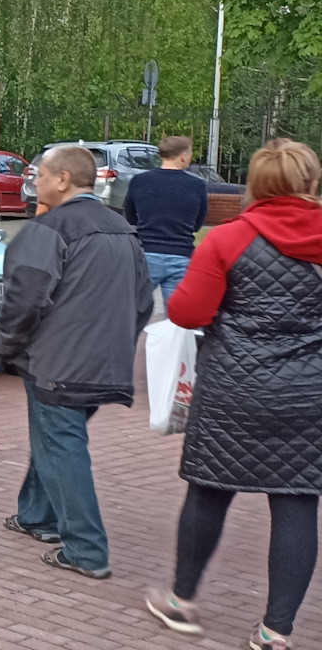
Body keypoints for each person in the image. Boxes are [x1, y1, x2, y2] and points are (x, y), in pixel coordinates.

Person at [144, 140, 322, 650]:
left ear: (257, 185)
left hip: (232, 391)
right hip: (308, 394)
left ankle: (181, 602)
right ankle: (275, 630)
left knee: (208, 491)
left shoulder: (229, 238)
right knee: (297, 502)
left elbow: (187, 312)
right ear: (311, 182)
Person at [0, 146, 153, 580]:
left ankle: (86, 549)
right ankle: (37, 516)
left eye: (41, 175)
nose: (35, 182)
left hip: (58, 361)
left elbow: (24, 300)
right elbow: (142, 302)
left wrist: (6, 347)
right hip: (105, 360)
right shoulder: (123, 229)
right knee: (56, 438)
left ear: (62, 179)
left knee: (62, 446)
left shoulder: (49, 229)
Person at [124, 135, 207, 301]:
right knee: (177, 313)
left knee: (134, 308)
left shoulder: (139, 181)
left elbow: (130, 217)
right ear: (183, 155)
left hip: (147, 252)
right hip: (181, 253)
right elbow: (198, 223)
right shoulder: (197, 185)